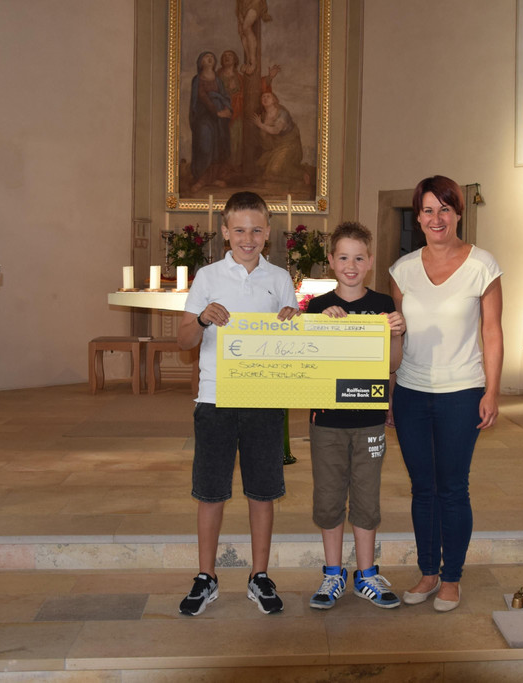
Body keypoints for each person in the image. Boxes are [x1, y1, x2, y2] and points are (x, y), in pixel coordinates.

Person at [177, 191, 299, 616]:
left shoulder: (280, 279)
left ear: (268, 233)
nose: (248, 238)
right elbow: (183, 341)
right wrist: (201, 318)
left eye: (256, 230)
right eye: (240, 230)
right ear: (225, 232)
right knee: (210, 492)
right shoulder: (208, 277)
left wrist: (292, 323)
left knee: (262, 492)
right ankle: (206, 576)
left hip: (264, 398)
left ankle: (259, 575)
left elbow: (294, 342)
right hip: (216, 398)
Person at [389, 175, 503, 612]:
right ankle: (428, 572)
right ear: (418, 217)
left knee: (453, 487)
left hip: (462, 391)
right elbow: (396, 338)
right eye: (428, 210)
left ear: (458, 214)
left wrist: (492, 391)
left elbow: (492, 332)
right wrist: (391, 390)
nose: (436, 218)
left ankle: (452, 576)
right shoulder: (402, 270)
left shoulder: (482, 265)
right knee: (422, 488)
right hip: (412, 392)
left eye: (445, 209)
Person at [305, 222, 406, 611]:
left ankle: (366, 574)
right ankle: (333, 573)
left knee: (366, 497)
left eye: (359, 258)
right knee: (329, 497)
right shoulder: (317, 307)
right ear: (331, 261)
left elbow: (392, 364)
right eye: (344, 257)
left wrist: (396, 333)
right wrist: (320, 327)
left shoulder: (383, 304)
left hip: (369, 419)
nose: (351, 265)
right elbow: (308, 364)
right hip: (327, 421)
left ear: (370, 261)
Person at [189, 51, 232, 193]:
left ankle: (213, 178)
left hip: (218, 120)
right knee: (205, 145)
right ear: (201, 62)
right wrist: (216, 112)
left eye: (212, 57)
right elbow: (202, 97)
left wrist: (227, 109)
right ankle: (201, 179)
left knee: (218, 147)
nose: (210, 58)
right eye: (206, 57)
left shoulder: (218, 80)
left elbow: (224, 96)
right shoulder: (198, 79)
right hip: (204, 117)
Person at [252, 92, 310, 187]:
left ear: (274, 100)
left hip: (290, 145)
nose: (265, 98)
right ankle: (293, 182)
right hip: (276, 146)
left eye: (268, 96)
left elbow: (276, 130)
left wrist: (261, 126)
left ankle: (302, 175)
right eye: (263, 97)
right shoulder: (263, 116)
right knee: (262, 166)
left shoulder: (282, 113)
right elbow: (265, 138)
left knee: (274, 169)